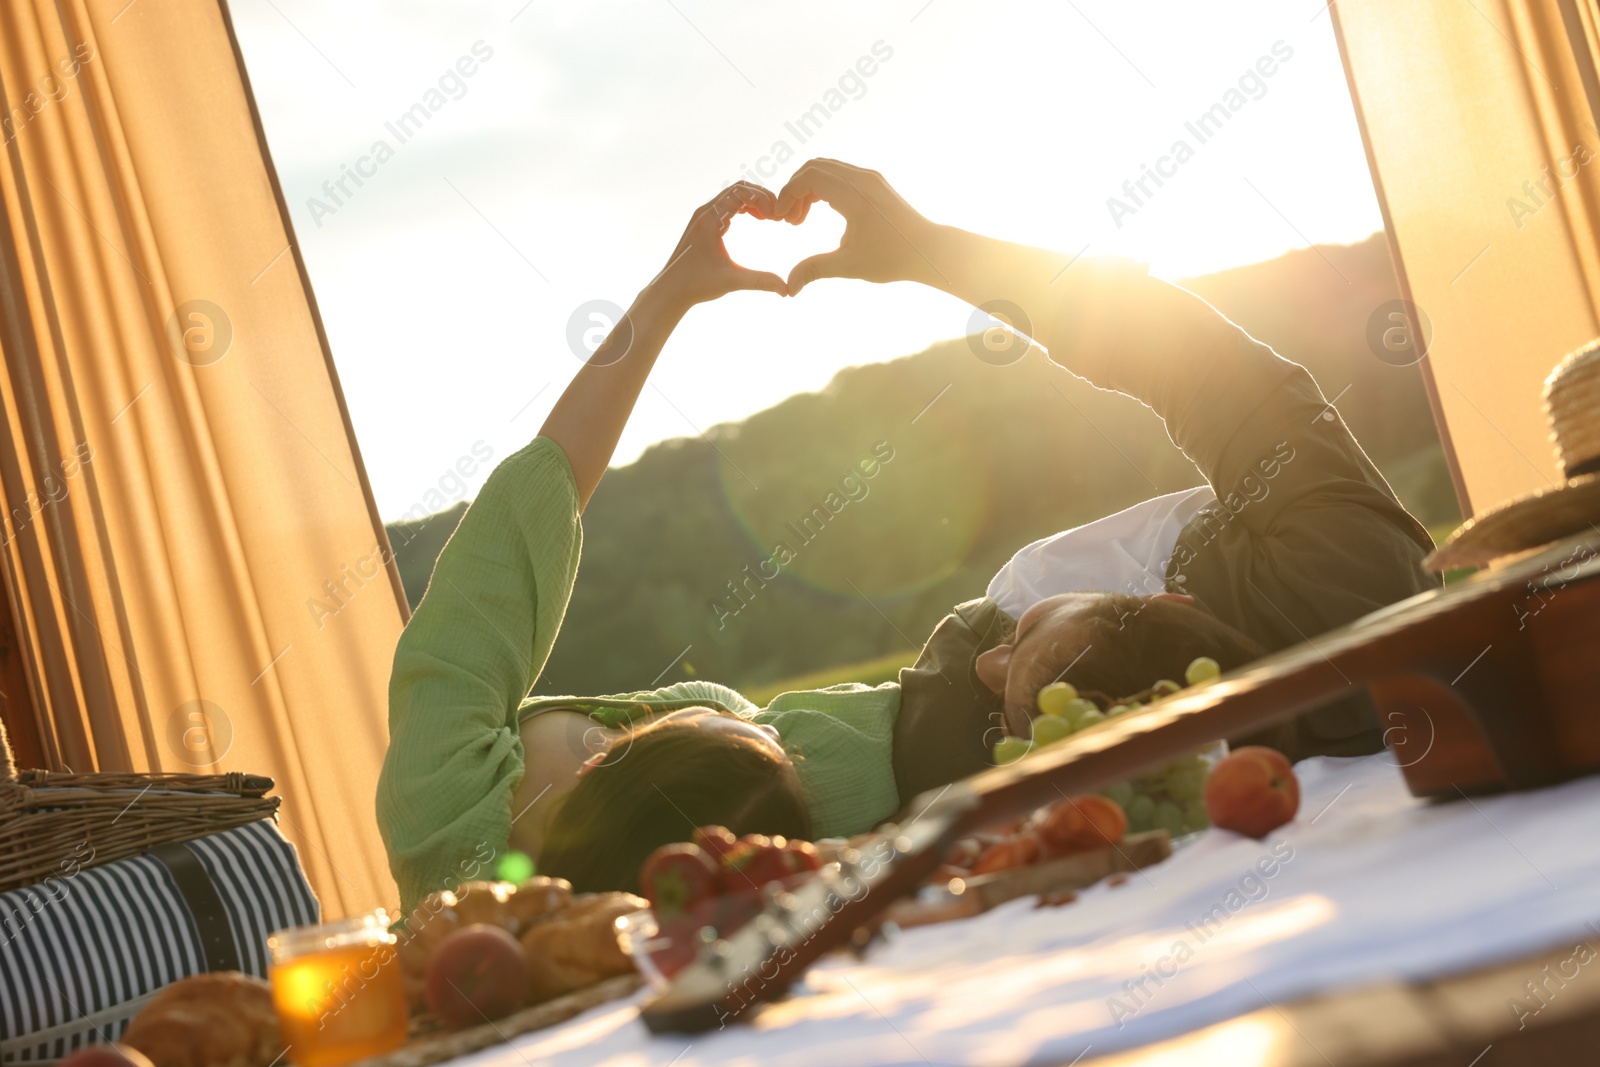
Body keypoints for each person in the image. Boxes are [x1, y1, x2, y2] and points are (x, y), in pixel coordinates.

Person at [376, 161, 1437, 911]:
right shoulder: (469, 882)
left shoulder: (450, 820)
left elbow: (528, 512)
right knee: (1311, 510)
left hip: (990, 738)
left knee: (1276, 453)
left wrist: (666, 301)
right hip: (988, 761)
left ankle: (941, 264)